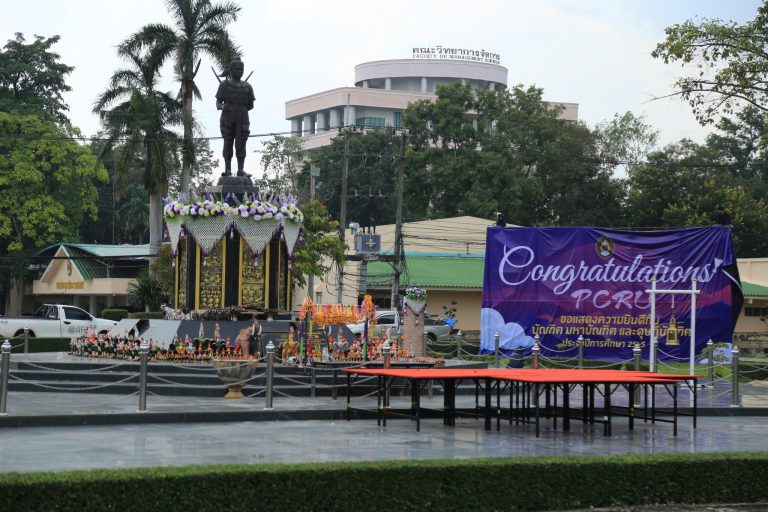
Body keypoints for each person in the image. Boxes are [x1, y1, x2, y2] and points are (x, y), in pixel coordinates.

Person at [215, 57, 255, 177]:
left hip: (243, 117)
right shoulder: (224, 85)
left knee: (241, 144)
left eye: (241, 69)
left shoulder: (247, 86)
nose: (240, 71)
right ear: (231, 70)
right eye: (237, 69)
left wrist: (239, 109)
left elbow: (250, 105)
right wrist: (223, 107)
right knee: (228, 142)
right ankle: (227, 170)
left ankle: (240, 169)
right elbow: (218, 103)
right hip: (228, 117)